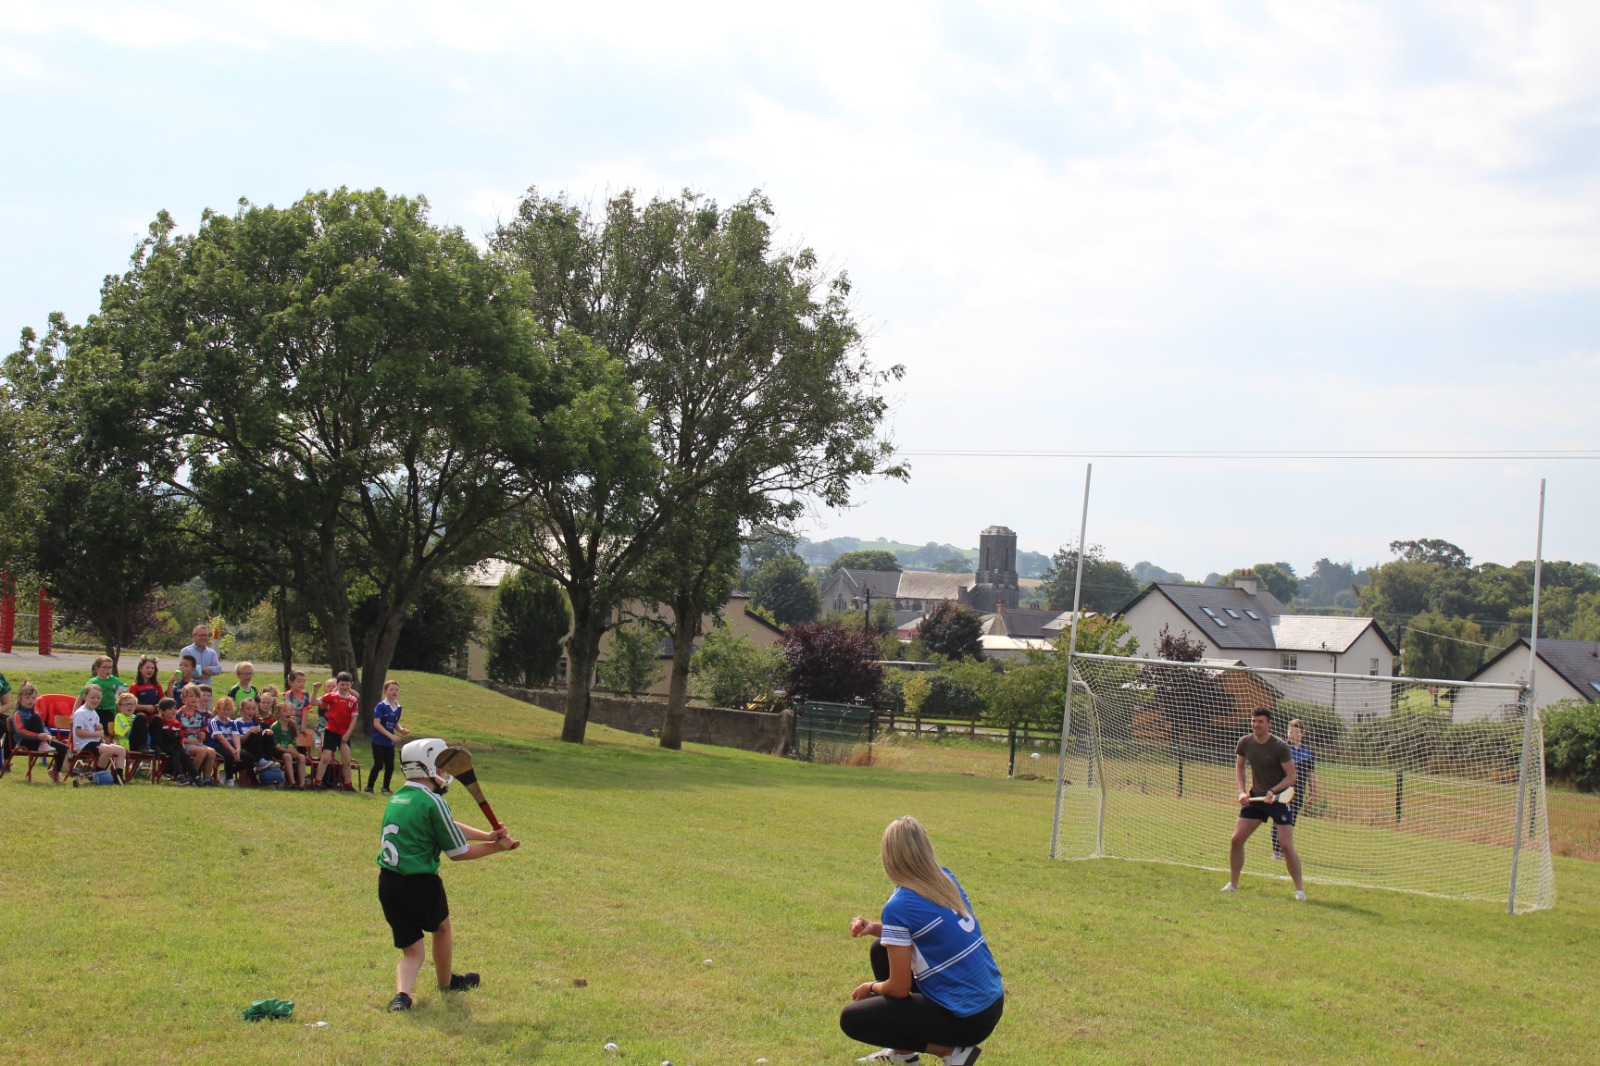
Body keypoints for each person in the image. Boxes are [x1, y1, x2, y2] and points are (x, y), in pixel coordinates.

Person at [840, 816, 1003, 1066]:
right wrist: (873, 928)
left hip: (966, 1017)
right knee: (880, 950)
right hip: (990, 1005)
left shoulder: (899, 904)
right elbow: (921, 932)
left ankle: (951, 1052)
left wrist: (870, 988)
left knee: (852, 1019)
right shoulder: (944, 878)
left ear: (889, 858)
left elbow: (898, 987)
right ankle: (903, 1054)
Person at [376, 737, 519, 1012]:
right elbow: (457, 852)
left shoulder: (399, 797)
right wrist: (495, 848)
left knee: (412, 951)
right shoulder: (433, 801)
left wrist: (487, 834)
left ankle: (402, 996)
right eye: (441, 766)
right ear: (428, 766)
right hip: (421, 883)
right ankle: (446, 983)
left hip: (389, 883)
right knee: (442, 929)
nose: (445, 772)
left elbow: (446, 825)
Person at [1222, 707, 1305, 900]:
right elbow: (1240, 767)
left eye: (1260, 722)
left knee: (1285, 845)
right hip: (1256, 799)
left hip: (1278, 800)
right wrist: (1242, 791)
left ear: (1269, 724)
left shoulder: (1280, 746)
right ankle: (1233, 885)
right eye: (1253, 721)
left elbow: (1292, 776)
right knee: (1236, 840)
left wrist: (1273, 791)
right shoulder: (1245, 742)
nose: (1256, 725)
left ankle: (1300, 890)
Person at [1273, 718, 1318, 861]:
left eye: (1296, 732)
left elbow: (1311, 774)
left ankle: (1285, 849)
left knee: (1291, 821)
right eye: (1290, 732)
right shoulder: (1282, 749)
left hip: (1298, 793)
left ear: (1302, 734)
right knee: (1280, 819)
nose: (1292, 735)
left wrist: (1314, 792)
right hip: (1282, 791)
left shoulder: (1308, 753)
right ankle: (1277, 851)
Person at [11, 681, 69, 782]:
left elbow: (42, 727)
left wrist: (46, 735)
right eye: (27, 697)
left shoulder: (34, 713)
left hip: (39, 740)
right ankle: (42, 743)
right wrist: (38, 736)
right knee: (36, 717)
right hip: (26, 742)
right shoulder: (18, 714)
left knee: (63, 747)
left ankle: (56, 771)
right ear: (20, 699)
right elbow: (20, 731)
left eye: (33, 698)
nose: (31, 700)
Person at [313, 672, 359, 792]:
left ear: (351, 685)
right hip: (331, 731)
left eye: (347, 685)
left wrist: (348, 734)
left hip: (344, 733)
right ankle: (317, 782)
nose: (344, 687)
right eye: (342, 684)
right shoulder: (331, 696)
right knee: (326, 758)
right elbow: (313, 702)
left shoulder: (352, 700)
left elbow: (354, 718)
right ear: (337, 684)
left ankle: (348, 785)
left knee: (346, 760)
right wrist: (315, 690)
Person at [71, 684, 126, 783]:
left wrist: (98, 729)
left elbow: (95, 732)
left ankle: (118, 777)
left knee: (121, 750)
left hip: (95, 743)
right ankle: (98, 774)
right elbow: (79, 733)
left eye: (98, 698)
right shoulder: (80, 713)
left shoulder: (94, 713)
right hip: (83, 745)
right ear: (85, 697)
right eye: (92, 698)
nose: (96, 700)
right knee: (108, 750)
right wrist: (97, 734)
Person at [367, 679, 409, 794]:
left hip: (389, 742)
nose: (394, 692)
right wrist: (391, 735)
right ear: (385, 692)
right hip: (378, 741)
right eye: (391, 689)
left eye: (396, 690)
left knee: (390, 766)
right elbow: (377, 724)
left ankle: (385, 787)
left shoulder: (398, 707)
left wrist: (401, 729)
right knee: (378, 764)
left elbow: (394, 722)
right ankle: (369, 787)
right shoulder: (381, 706)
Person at [148, 697, 199, 785]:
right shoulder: (158, 720)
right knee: (174, 752)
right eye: (169, 709)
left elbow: (179, 739)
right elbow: (159, 738)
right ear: (162, 711)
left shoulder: (176, 723)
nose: (173, 711)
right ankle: (179, 775)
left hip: (173, 745)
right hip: (160, 746)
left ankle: (195, 776)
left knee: (183, 754)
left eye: (175, 708)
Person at [176, 685, 218, 784]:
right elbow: (175, 735)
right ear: (184, 698)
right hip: (184, 743)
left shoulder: (199, 714)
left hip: (195, 742)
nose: (194, 699)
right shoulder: (179, 714)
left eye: (196, 696)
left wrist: (201, 734)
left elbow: (202, 729)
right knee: (201, 752)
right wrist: (187, 741)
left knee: (211, 752)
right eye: (191, 696)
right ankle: (193, 776)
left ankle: (206, 778)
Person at [267, 700, 310, 788]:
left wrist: (292, 749)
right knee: (287, 756)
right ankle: (292, 782)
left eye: (290, 711)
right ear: (278, 713)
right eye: (285, 711)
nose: (288, 713)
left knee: (301, 757)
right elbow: (276, 745)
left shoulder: (291, 725)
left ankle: (301, 784)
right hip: (278, 751)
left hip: (288, 750)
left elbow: (292, 740)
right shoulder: (275, 727)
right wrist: (289, 751)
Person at [83, 656, 127, 737]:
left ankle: (106, 744)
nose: (108, 670)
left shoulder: (114, 680)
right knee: (94, 727)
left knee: (107, 730)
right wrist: (73, 712)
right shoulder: (93, 681)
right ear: (97, 668)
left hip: (109, 710)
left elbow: (124, 689)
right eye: (104, 667)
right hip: (94, 709)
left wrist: (123, 692)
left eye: (110, 667)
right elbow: (82, 696)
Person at [208, 695, 244, 787]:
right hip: (217, 745)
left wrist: (238, 749)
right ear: (218, 709)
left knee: (249, 758)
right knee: (229, 756)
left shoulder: (232, 722)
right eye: (224, 709)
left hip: (231, 745)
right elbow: (221, 739)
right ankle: (229, 778)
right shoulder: (214, 722)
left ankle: (226, 772)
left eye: (228, 710)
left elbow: (235, 736)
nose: (226, 712)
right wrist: (233, 751)